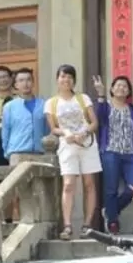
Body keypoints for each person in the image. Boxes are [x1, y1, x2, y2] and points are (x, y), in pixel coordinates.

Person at [45, 64, 100, 239]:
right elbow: (53, 128)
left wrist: (84, 132)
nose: (66, 79)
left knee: (89, 183)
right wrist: (66, 133)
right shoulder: (51, 103)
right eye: (62, 76)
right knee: (68, 184)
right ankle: (67, 225)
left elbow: (94, 122)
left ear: (74, 80)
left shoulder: (83, 98)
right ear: (57, 79)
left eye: (69, 77)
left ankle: (87, 224)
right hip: (67, 145)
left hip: (87, 144)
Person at [94, 75, 133, 235]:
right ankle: (113, 221)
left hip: (130, 153)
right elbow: (99, 119)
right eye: (118, 85)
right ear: (112, 89)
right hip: (110, 151)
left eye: (125, 86)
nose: (121, 88)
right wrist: (100, 95)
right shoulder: (106, 106)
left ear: (128, 91)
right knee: (110, 189)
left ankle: (110, 211)